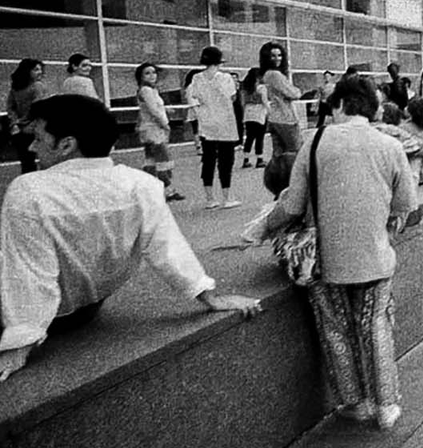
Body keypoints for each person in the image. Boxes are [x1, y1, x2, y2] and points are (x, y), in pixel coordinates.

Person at [0, 95, 261, 382]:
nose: (31, 146)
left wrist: (19, 339)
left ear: (66, 145)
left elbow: (28, 274)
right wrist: (211, 298)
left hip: (45, 319)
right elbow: (169, 249)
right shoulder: (142, 184)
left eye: (37, 137)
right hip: (87, 310)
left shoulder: (29, 191)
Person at [260, 76, 419, 430]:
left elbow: (292, 204)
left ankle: (354, 401)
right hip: (375, 255)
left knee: (335, 329)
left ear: (340, 105)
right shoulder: (388, 145)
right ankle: (386, 405)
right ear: (371, 108)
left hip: (326, 260)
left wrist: (261, 227)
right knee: (377, 324)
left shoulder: (315, 142)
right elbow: (407, 203)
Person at [188, 46, 241, 209]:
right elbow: (231, 96)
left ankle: (210, 198)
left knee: (208, 160)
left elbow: (195, 95)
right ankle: (227, 197)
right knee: (226, 160)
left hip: (207, 123)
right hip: (225, 123)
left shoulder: (197, 78)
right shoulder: (225, 78)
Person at [134, 62, 183, 202]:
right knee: (162, 160)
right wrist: (165, 124)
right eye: (147, 73)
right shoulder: (146, 91)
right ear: (141, 76)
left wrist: (166, 110)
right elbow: (153, 110)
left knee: (151, 161)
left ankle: (149, 190)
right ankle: (167, 190)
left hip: (148, 128)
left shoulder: (150, 90)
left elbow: (149, 109)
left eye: (154, 72)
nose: (152, 76)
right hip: (153, 129)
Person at [260, 42, 303, 197]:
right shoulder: (275, 75)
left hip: (275, 118)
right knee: (296, 154)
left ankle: (279, 189)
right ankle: (296, 189)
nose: (277, 58)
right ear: (267, 57)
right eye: (273, 55)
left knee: (278, 156)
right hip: (286, 118)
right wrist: (296, 90)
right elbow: (294, 93)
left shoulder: (267, 75)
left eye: (279, 55)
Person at [5, 58, 49, 174]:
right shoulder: (37, 86)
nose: (40, 72)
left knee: (26, 161)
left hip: (19, 129)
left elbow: (10, 108)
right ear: (27, 71)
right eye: (36, 69)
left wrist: (15, 123)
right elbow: (38, 107)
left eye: (40, 70)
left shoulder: (16, 88)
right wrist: (20, 122)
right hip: (34, 127)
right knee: (41, 160)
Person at [240, 69, 268, 169]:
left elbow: (243, 103)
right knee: (259, 138)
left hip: (248, 113)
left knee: (249, 137)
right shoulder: (261, 88)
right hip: (259, 113)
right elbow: (264, 101)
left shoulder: (245, 88)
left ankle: (246, 160)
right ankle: (259, 160)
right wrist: (270, 110)